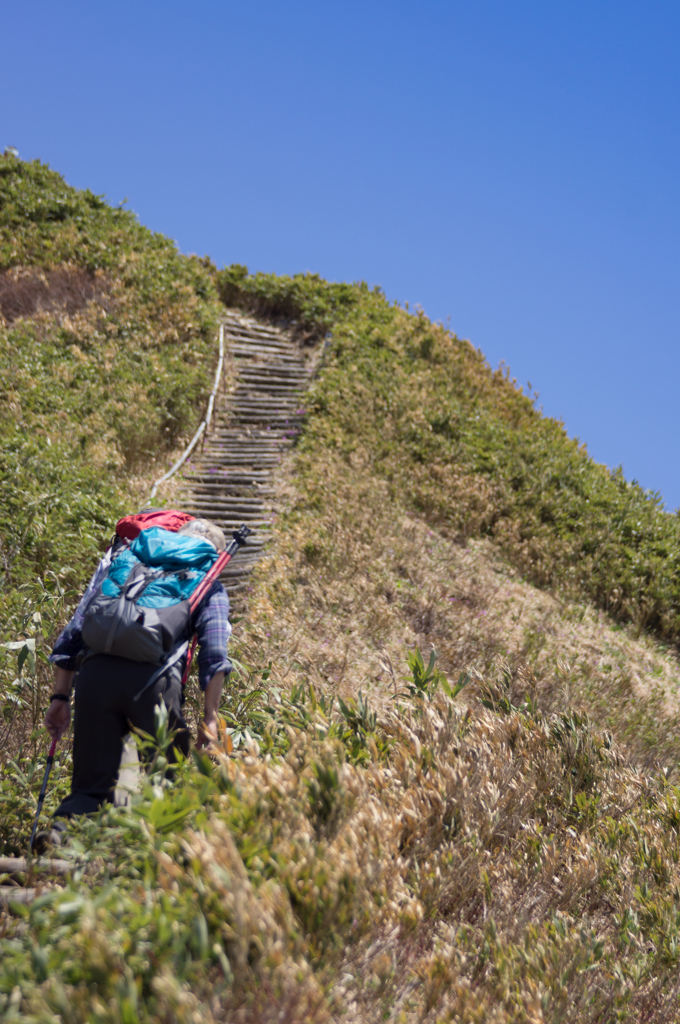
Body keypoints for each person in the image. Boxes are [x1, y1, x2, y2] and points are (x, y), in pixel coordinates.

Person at [35, 517, 232, 849]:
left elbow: (74, 633)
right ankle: (150, 860)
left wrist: (60, 697)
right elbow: (214, 652)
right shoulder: (205, 581)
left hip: (94, 679)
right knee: (164, 781)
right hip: (154, 686)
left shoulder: (128, 563)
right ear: (214, 554)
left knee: (89, 787)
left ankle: (59, 835)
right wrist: (210, 715)